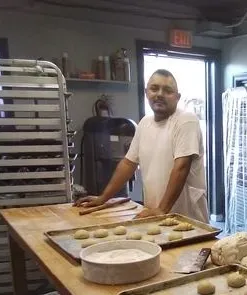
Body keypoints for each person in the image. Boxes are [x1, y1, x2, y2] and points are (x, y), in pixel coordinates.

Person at [75, 69, 209, 223]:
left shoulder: (186, 120)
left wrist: (162, 210)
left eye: (168, 90)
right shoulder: (145, 123)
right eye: (154, 88)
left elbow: (181, 168)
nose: (159, 94)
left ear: (177, 97)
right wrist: (104, 198)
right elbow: (128, 163)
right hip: (155, 215)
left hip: (187, 219)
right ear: (146, 93)